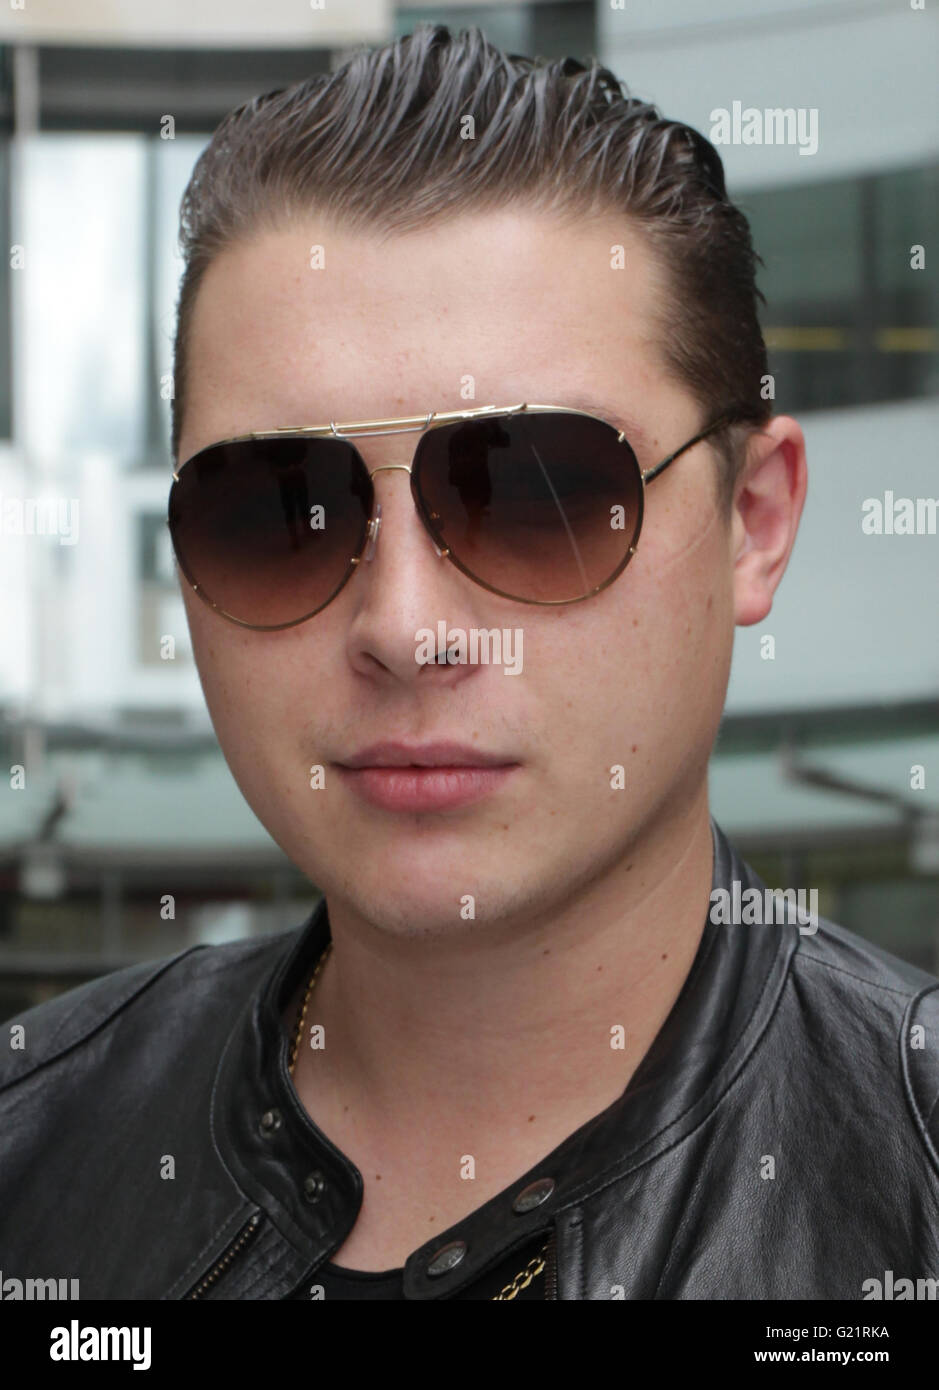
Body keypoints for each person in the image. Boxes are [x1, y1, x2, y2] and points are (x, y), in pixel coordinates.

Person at [1, 24, 937, 1302]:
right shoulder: (30, 1147)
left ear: (752, 524)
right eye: (280, 512)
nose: (403, 627)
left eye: (538, 495)